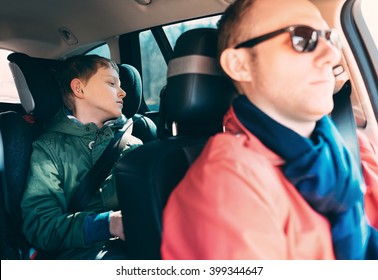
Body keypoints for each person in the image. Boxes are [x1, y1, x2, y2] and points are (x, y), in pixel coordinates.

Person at [161, 0, 378, 259]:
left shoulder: (350, 146)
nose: (331, 54)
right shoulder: (228, 182)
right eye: (302, 38)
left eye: (329, 38)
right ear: (240, 65)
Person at [21, 55, 142, 259]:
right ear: (79, 89)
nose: (123, 92)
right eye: (111, 83)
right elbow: (41, 226)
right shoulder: (49, 149)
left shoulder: (133, 144)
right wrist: (107, 223)